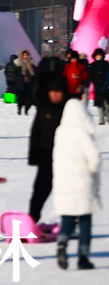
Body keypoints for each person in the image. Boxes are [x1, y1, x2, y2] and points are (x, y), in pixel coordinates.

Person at [51, 97, 101, 270]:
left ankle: (62, 244)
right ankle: (83, 257)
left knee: (68, 219)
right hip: (83, 183)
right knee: (85, 220)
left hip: (63, 184)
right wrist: (93, 169)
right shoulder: (81, 132)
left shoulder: (60, 132)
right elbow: (94, 157)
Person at [28, 76, 69, 223]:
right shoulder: (43, 109)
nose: (55, 95)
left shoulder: (70, 110)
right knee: (40, 190)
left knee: (67, 192)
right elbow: (35, 133)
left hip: (66, 159)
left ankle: (70, 223)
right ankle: (32, 219)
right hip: (46, 156)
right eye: (52, 92)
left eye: (58, 92)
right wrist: (33, 155)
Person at [90, 49, 109, 125]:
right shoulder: (93, 65)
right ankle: (101, 120)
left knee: (107, 104)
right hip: (97, 87)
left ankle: (107, 118)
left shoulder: (106, 64)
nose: (98, 56)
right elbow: (91, 75)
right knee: (99, 105)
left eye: (100, 55)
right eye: (97, 55)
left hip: (105, 86)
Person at [16, 50, 37, 116]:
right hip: (20, 83)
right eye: (24, 55)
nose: (25, 57)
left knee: (29, 98)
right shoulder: (17, 63)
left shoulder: (31, 63)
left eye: (26, 55)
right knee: (21, 98)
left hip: (30, 83)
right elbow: (15, 73)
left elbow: (35, 73)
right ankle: (19, 109)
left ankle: (26, 110)